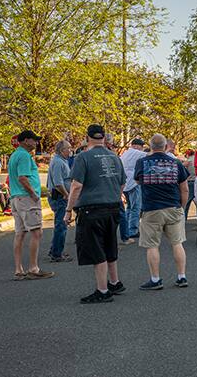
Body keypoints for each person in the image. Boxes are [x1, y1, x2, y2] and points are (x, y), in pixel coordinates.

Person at [65, 125, 126, 303]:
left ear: (87, 138)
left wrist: (68, 210)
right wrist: (114, 194)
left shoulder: (83, 157)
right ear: (104, 138)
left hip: (92, 209)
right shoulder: (115, 157)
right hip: (113, 206)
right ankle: (115, 282)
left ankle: (103, 290)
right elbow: (122, 182)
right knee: (110, 244)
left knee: (96, 248)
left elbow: (76, 186)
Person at [134, 134, 190, 290]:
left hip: (151, 209)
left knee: (152, 245)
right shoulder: (176, 163)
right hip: (173, 207)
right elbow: (184, 188)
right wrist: (182, 207)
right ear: (166, 147)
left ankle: (155, 279)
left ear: (151, 147)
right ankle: (181, 276)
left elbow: (138, 181)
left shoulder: (142, 162)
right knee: (177, 243)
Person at [8, 130, 54, 281]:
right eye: (34, 140)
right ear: (26, 140)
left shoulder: (15, 155)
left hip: (16, 197)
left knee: (20, 233)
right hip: (26, 198)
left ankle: (18, 269)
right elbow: (22, 177)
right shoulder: (24, 156)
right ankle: (33, 268)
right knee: (36, 232)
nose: (36, 143)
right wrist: (34, 194)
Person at [46, 140, 73, 262]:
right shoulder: (57, 162)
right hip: (60, 197)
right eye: (69, 148)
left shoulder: (62, 161)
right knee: (61, 225)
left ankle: (55, 249)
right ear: (62, 150)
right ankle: (57, 254)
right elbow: (58, 183)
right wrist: (66, 194)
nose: (70, 151)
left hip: (61, 196)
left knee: (61, 225)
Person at [120, 138, 147, 244]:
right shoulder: (137, 153)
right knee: (136, 207)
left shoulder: (125, 154)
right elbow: (149, 156)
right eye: (141, 146)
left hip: (125, 183)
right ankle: (133, 230)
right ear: (136, 146)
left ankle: (126, 229)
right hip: (134, 183)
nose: (142, 148)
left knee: (129, 207)